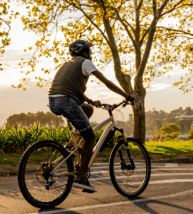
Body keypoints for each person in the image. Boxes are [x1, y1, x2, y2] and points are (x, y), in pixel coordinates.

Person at [48, 40, 133, 193]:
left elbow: (71, 88)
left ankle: (73, 143)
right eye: (89, 51)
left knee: (87, 109)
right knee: (90, 137)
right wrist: (126, 95)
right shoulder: (85, 62)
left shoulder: (67, 64)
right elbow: (106, 82)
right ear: (84, 52)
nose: (91, 54)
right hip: (67, 101)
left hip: (55, 100)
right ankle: (81, 178)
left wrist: (90, 101)